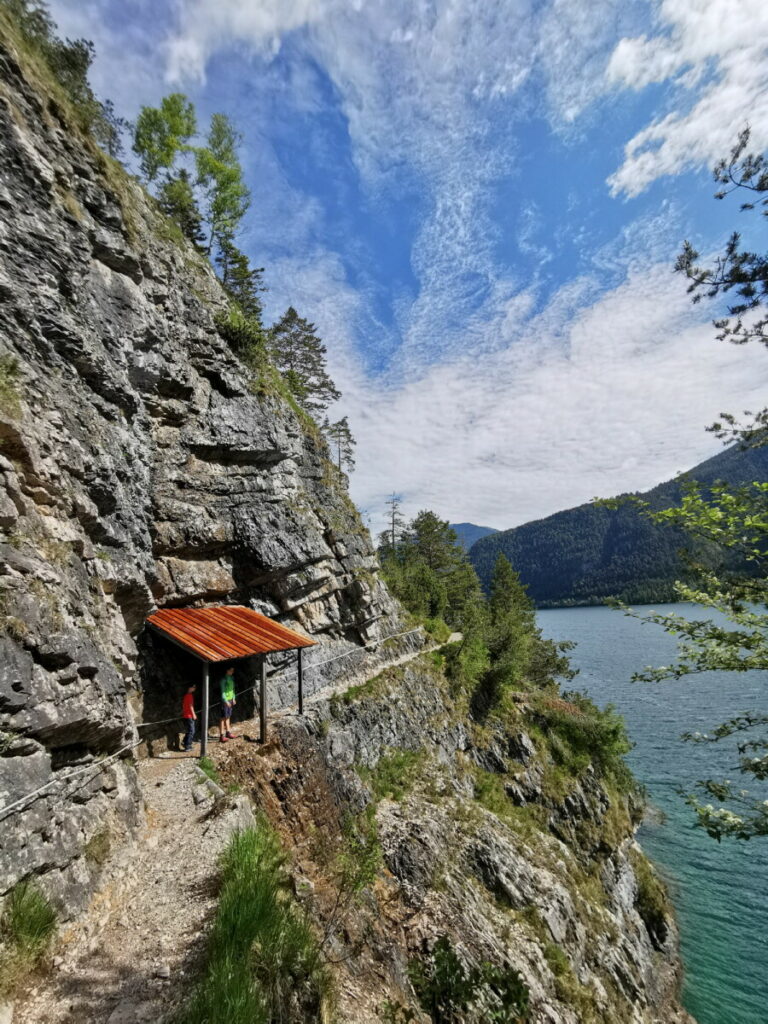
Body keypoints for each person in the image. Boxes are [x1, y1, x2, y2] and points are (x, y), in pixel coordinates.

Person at [219, 666, 236, 742]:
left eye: (233, 670)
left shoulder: (232, 678)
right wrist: (225, 701)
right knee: (223, 718)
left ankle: (228, 732)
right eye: (231, 670)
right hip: (225, 700)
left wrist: (234, 698)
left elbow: (233, 689)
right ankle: (221, 736)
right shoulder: (223, 680)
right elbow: (222, 692)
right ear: (227, 670)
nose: (232, 672)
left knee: (228, 716)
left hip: (230, 699)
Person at [182, 683, 197, 752]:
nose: (194, 688)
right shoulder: (190, 695)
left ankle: (185, 742)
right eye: (193, 687)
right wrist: (193, 714)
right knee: (192, 731)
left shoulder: (185, 695)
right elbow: (191, 706)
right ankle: (187, 746)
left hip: (186, 715)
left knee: (189, 730)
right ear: (189, 688)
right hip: (189, 715)